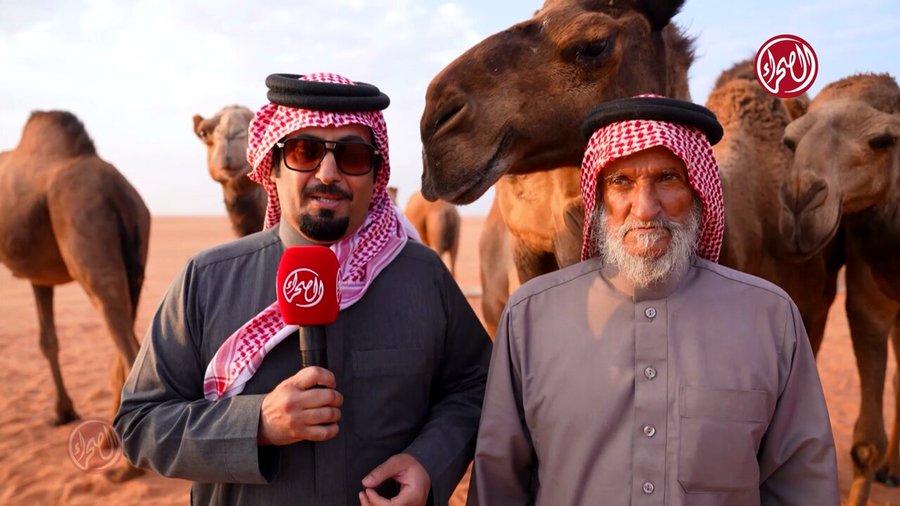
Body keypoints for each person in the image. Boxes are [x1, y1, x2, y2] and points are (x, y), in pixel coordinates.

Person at [115, 72, 492, 506]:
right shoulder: (207, 280)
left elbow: (477, 385)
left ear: (375, 173)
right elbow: (139, 423)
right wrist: (255, 424)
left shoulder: (422, 277)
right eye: (305, 151)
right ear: (273, 166)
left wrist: (429, 463)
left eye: (352, 156)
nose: (328, 174)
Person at [468, 95, 839, 505]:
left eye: (667, 179)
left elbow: (801, 483)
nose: (645, 208)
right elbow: (498, 483)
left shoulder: (770, 318)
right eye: (621, 182)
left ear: (698, 191)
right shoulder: (529, 318)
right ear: (599, 197)